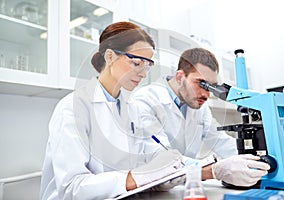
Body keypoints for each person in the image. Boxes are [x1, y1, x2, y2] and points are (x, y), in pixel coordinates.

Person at [40, 22, 184, 200]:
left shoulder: (132, 109)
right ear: (109, 56)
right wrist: (138, 177)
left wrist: (168, 171)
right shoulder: (72, 107)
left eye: (147, 65)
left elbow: (147, 157)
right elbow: (72, 188)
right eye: (136, 63)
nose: (143, 73)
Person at [131, 47, 270, 187]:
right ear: (180, 77)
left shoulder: (198, 107)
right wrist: (214, 170)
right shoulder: (146, 100)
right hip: (147, 190)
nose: (206, 94)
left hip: (181, 186)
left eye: (211, 87)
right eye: (201, 83)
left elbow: (221, 142)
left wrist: (259, 158)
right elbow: (162, 159)